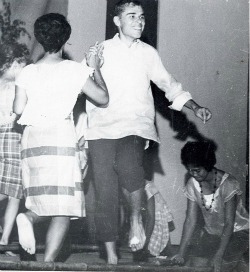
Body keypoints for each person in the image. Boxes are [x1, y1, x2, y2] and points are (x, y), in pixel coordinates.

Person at [85, 0, 212, 264]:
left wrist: (195, 107)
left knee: (132, 172)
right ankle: (110, 257)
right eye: (132, 16)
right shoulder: (101, 50)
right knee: (105, 192)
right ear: (117, 21)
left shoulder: (148, 53)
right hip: (100, 129)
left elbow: (169, 85)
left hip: (135, 125)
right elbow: (84, 87)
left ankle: (134, 220)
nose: (139, 21)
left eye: (142, 17)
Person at [13, 13, 108, 262]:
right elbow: (102, 98)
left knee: (39, 199)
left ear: (40, 38)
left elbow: (19, 109)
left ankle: (28, 218)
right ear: (66, 39)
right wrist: (95, 68)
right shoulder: (74, 70)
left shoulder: (27, 72)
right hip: (59, 137)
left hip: (33, 139)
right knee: (63, 208)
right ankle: (47, 265)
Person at [171, 141, 249, 272]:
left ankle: (241, 263)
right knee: (195, 266)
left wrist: (219, 255)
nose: (193, 174)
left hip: (238, 232)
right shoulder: (192, 184)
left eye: (197, 170)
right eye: (190, 170)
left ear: (207, 165)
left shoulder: (228, 183)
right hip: (212, 233)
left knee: (219, 266)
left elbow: (229, 223)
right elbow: (190, 220)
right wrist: (180, 253)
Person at [0, 42, 29, 256]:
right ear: (14, 64)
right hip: (13, 137)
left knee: (5, 189)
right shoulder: (16, 87)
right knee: (15, 194)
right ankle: (5, 240)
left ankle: (4, 239)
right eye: (22, 65)